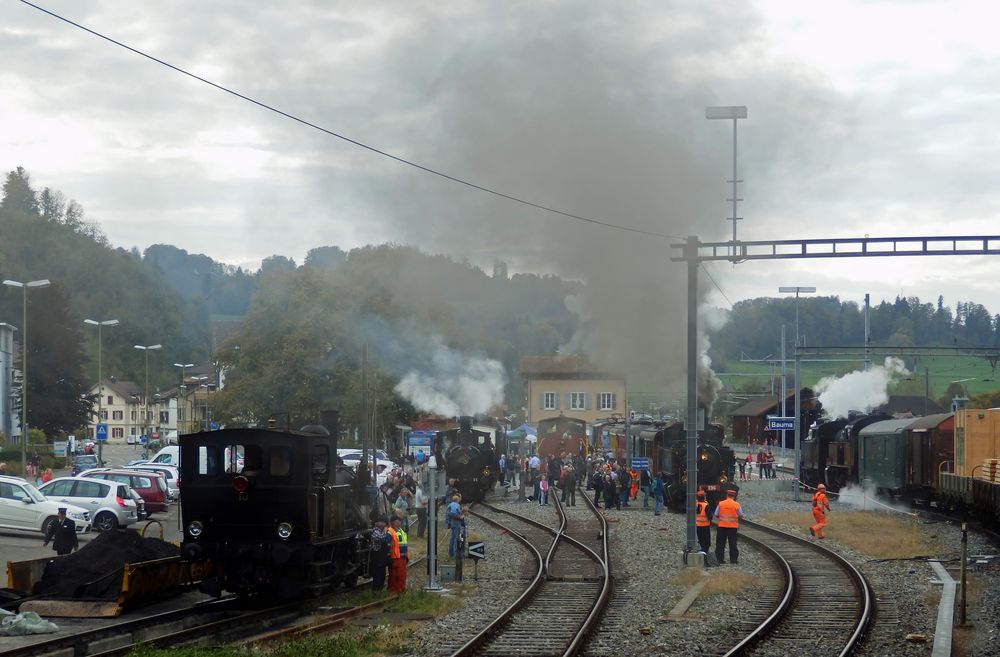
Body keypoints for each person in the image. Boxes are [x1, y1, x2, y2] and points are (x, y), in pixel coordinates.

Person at [713, 489, 743, 565]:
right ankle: (733, 560)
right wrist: (736, 520)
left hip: (722, 527)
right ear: (734, 496)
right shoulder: (736, 504)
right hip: (732, 527)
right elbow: (741, 515)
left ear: (727, 495)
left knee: (720, 544)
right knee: (733, 544)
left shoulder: (721, 504)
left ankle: (719, 559)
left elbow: (716, 514)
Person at [386, 515, 407, 593]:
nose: (399, 522)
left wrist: (406, 556)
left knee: (402, 575)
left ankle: (401, 590)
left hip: (402, 557)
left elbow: (404, 544)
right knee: (395, 575)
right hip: (395, 557)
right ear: (392, 522)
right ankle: (394, 591)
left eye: (400, 520)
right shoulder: (390, 532)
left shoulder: (401, 531)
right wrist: (389, 557)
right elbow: (388, 546)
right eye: (397, 520)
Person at [369, 516, 390, 590]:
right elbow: (382, 538)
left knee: (382, 573)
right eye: (382, 522)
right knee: (377, 573)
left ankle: (380, 588)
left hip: (382, 556)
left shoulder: (382, 531)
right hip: (376, 556)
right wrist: (385, 531)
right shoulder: (375, 531)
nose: (383, 524)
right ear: (377, 523)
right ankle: (376, 590)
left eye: (384, 523)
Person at [695, 490, 711, 554]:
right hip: (705, 526)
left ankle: (702, 552)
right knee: (707, 542)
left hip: (698, 526)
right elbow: (710, 517)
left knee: (701, 541)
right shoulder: (705, 505)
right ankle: (704, 554)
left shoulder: (696, 504)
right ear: (704, 497)